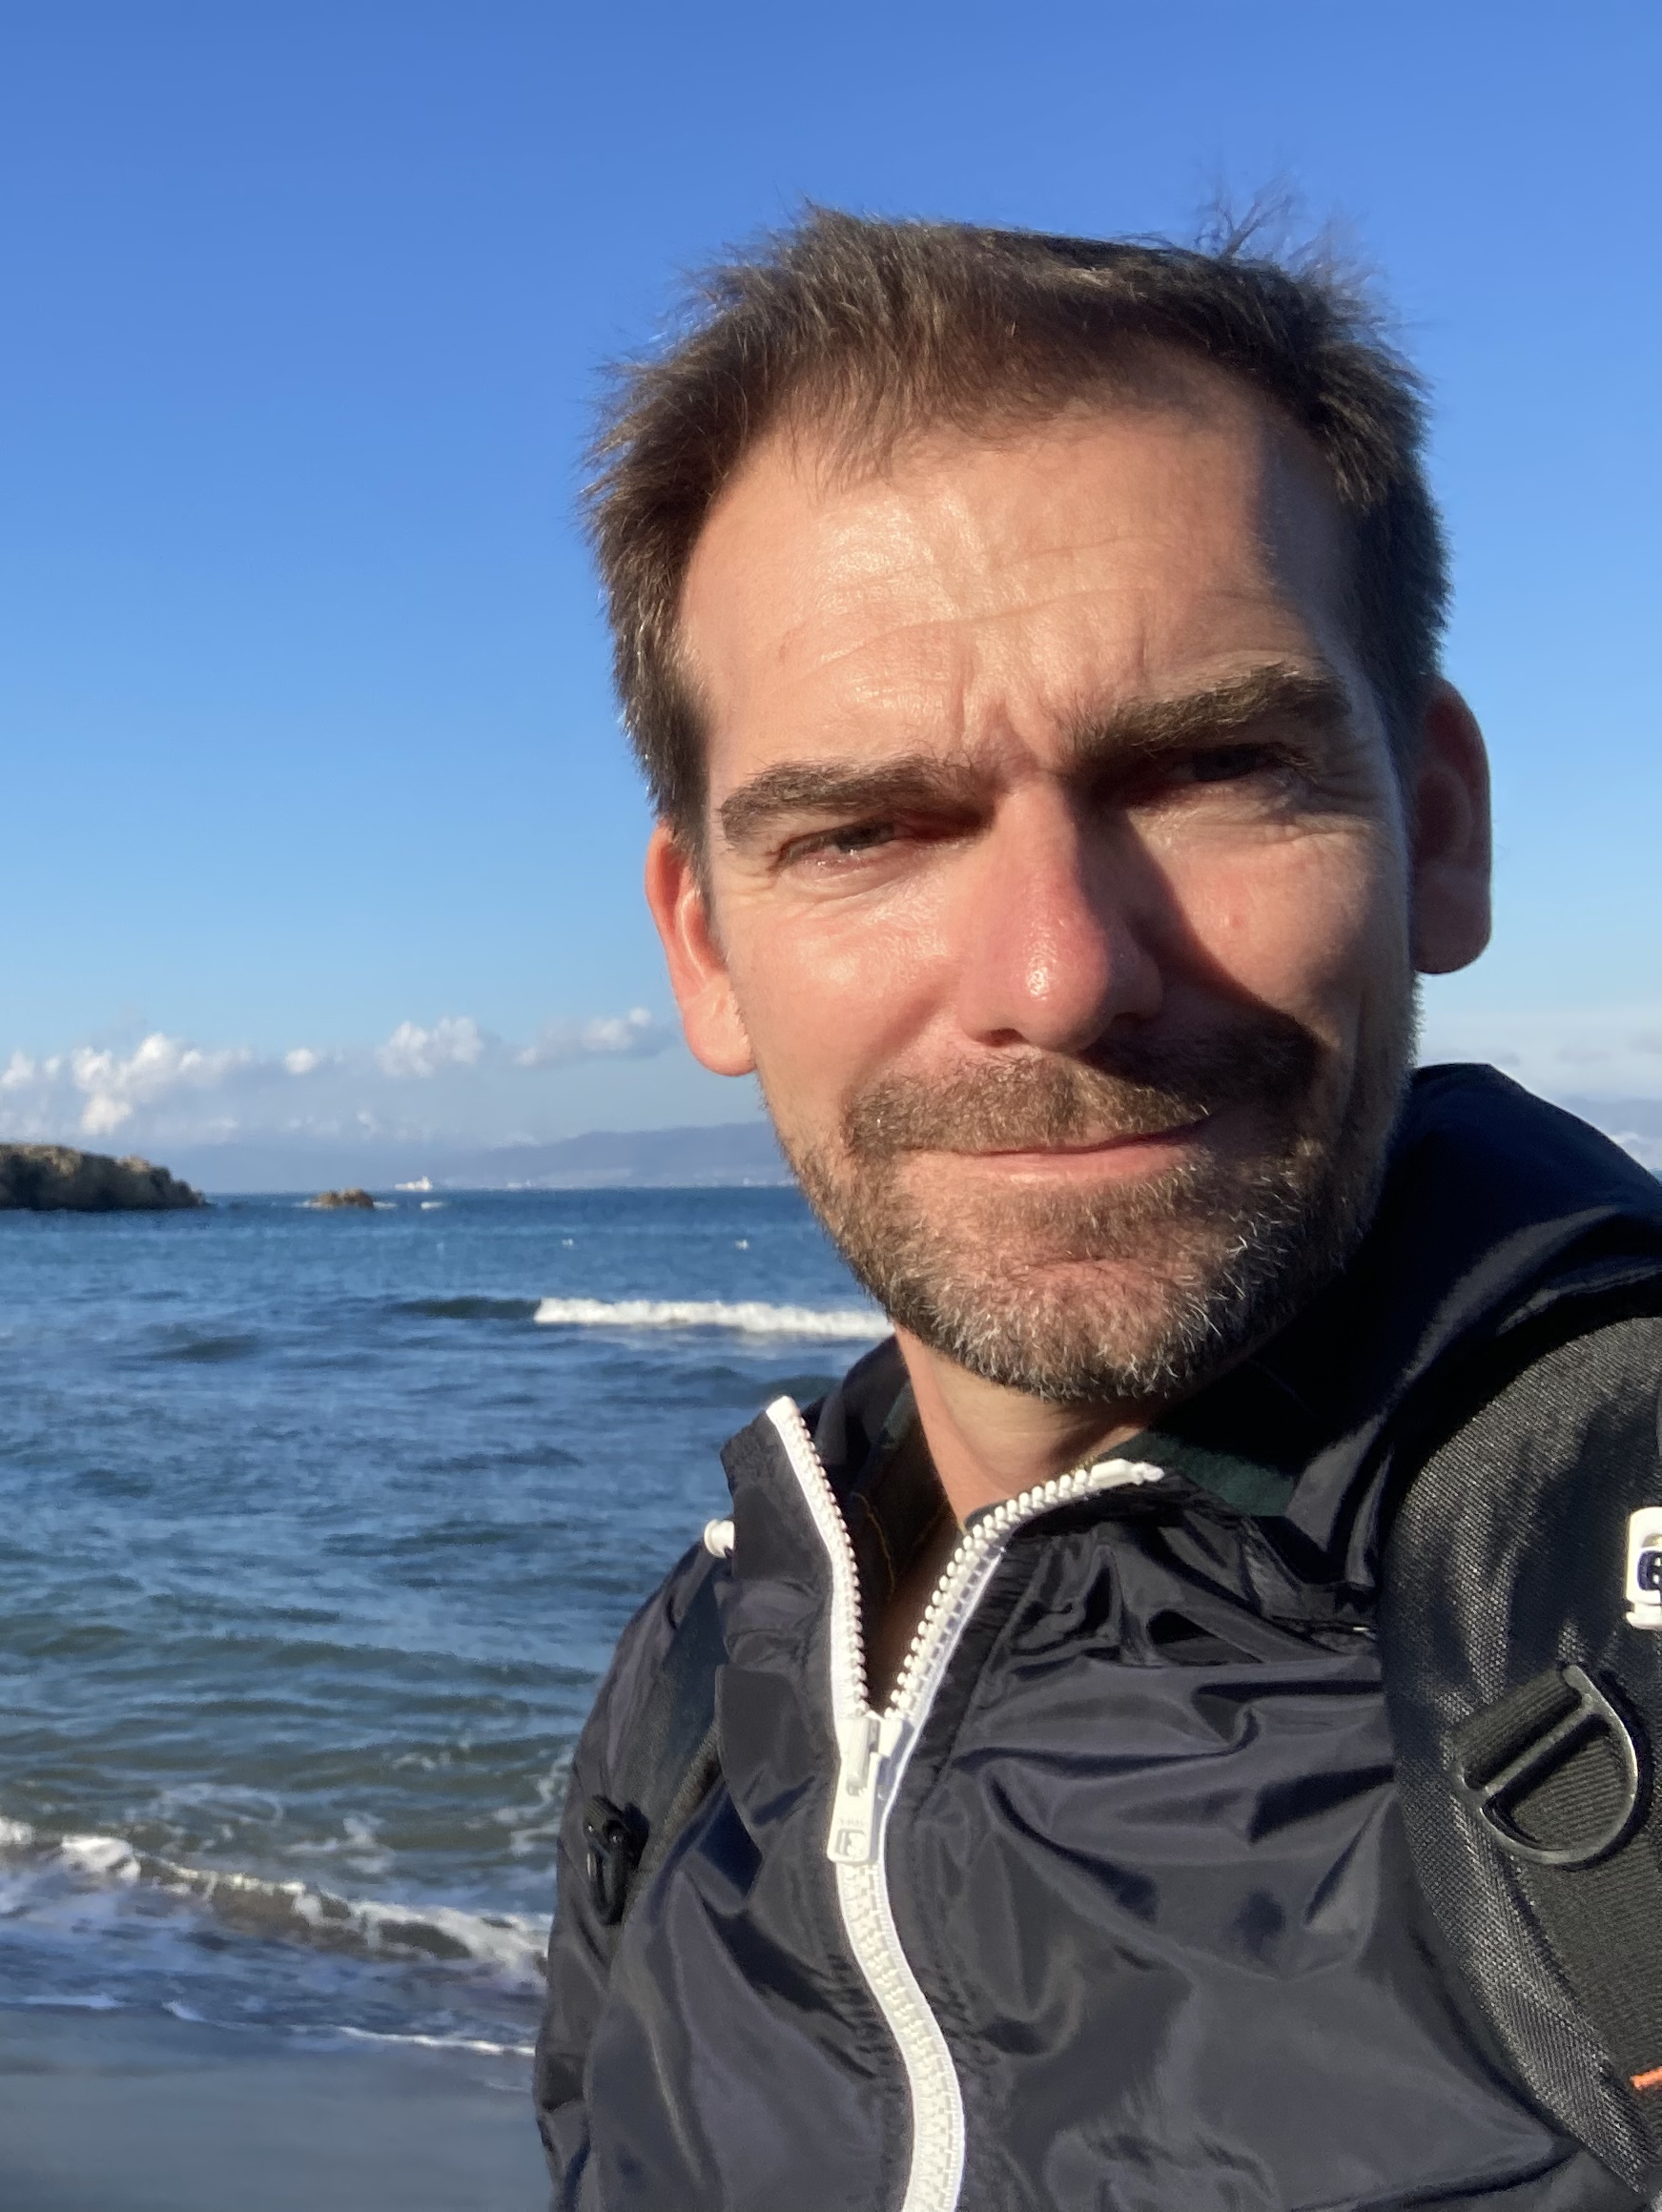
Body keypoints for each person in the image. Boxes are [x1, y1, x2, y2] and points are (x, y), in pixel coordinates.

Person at [535, 212, 1662, 2212]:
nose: (1058, 977)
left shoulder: (1601, 1574)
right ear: (703, 945)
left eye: (1210, 767)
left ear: (1436, 827)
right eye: (866, 829)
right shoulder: (708, 1677)